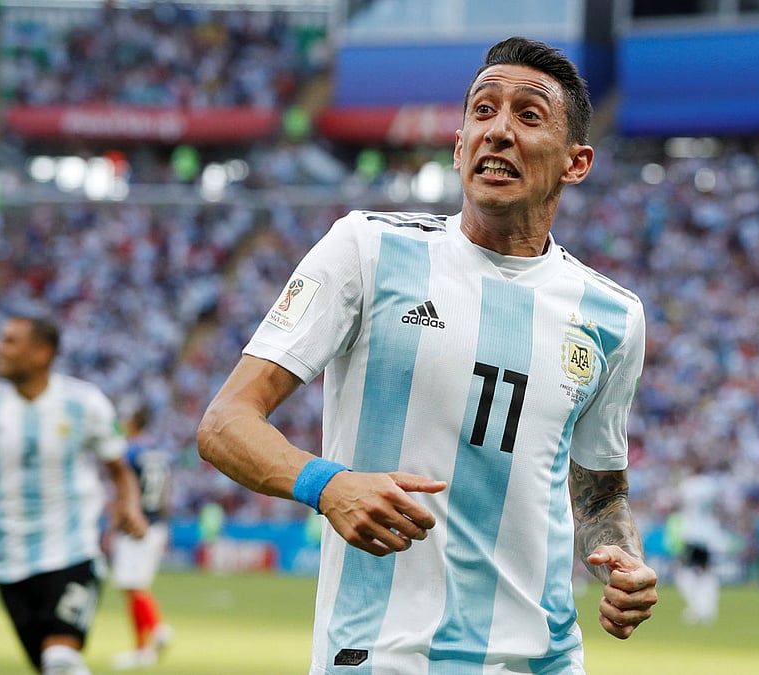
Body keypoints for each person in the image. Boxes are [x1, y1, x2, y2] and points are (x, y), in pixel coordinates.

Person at [197, 36, 658, 673]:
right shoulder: (367, 250)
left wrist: (623, 559)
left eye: (528, 116)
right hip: (381, 654)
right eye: (483, 111)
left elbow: (600, 493)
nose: (498, 130)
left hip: (543, 660)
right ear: (459, 144)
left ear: (576, 163)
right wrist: (328, 485)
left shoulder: (614, 317)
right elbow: (224, 424)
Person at [0, 314, 148, 675]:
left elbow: (119, 469)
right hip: (8, 559)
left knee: (61, 659)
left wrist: (128, 503)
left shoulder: (84, 403)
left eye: (10, 341)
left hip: (72, 549)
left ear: (42, 352)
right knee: (46, 664)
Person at [110, 405, 175, 670]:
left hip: (135, 527)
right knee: (133, 586)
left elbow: (125, 491)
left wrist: (115, 523)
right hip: (157, 523)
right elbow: (167, 491)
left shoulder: (130, 452)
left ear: (133, 421)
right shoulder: (159, 453)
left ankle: (158, 630)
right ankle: (141, 649)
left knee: (133, 585)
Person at [671, 463, 725, 624]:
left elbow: (677, 504)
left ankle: (697, 607)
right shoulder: (711, 485)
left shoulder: (688, 485)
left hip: (692, 533)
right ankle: (708, 609)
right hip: (709, 532)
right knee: (706, 572)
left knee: (683, 571)